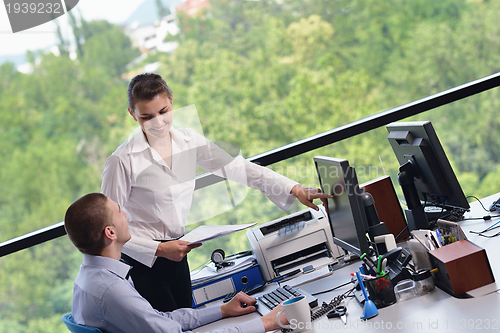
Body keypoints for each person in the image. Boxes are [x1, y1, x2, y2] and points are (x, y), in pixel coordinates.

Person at [101, 72, 332, 311]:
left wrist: (294, 188)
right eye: (146, 117)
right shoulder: (121, 161)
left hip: (178, 255)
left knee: (187, 321)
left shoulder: (188, 141)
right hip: (141, 263)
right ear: (132, 115)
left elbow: (238, 168)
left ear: (171, 100)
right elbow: (107, 231)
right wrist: (158, 249)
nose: (158, 123)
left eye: (163, 112)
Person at [64, 193, 287, 333]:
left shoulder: (90, 276)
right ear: (110, 232)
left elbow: (161, 319)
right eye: (118, 211)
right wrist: (267, 323)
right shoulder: (111, 290)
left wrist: (222, 310)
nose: (125, 213)